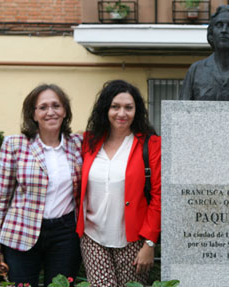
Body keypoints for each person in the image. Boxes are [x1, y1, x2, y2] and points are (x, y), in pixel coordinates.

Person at [0, 84, 82, 286]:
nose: (51, 112)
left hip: (65, 234)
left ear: (65, 111)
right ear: (33, 113)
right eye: (43, 107)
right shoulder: (14, 144)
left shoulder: (78, 145)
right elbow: (1, 198)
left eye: (56, 105)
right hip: (21, 232)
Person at [76, 80, 161, 286]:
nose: (121, 113)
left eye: (128, 108)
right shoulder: (88, 142)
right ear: (106, 109)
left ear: (136, 111)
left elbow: (159, 196)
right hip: (92, 237)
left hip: (133, 240)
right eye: (115, 107)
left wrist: (149, 243)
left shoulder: (150, 144)